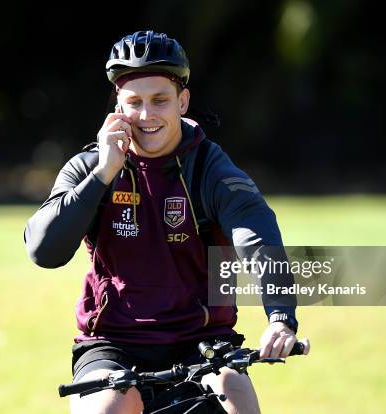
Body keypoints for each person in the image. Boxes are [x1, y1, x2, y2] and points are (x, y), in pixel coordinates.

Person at [24, 30, 309, 414]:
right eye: (134, 102)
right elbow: (43, 250)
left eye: (160, 100)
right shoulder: (90, 167)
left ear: (183, 102)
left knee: (236, 401)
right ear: (118, 107)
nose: (146, 115)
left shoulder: (211, 168)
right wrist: (103, 175)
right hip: (112, 344)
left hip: (203, 341)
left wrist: (280, 318)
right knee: (108, 408)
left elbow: (257, 239)